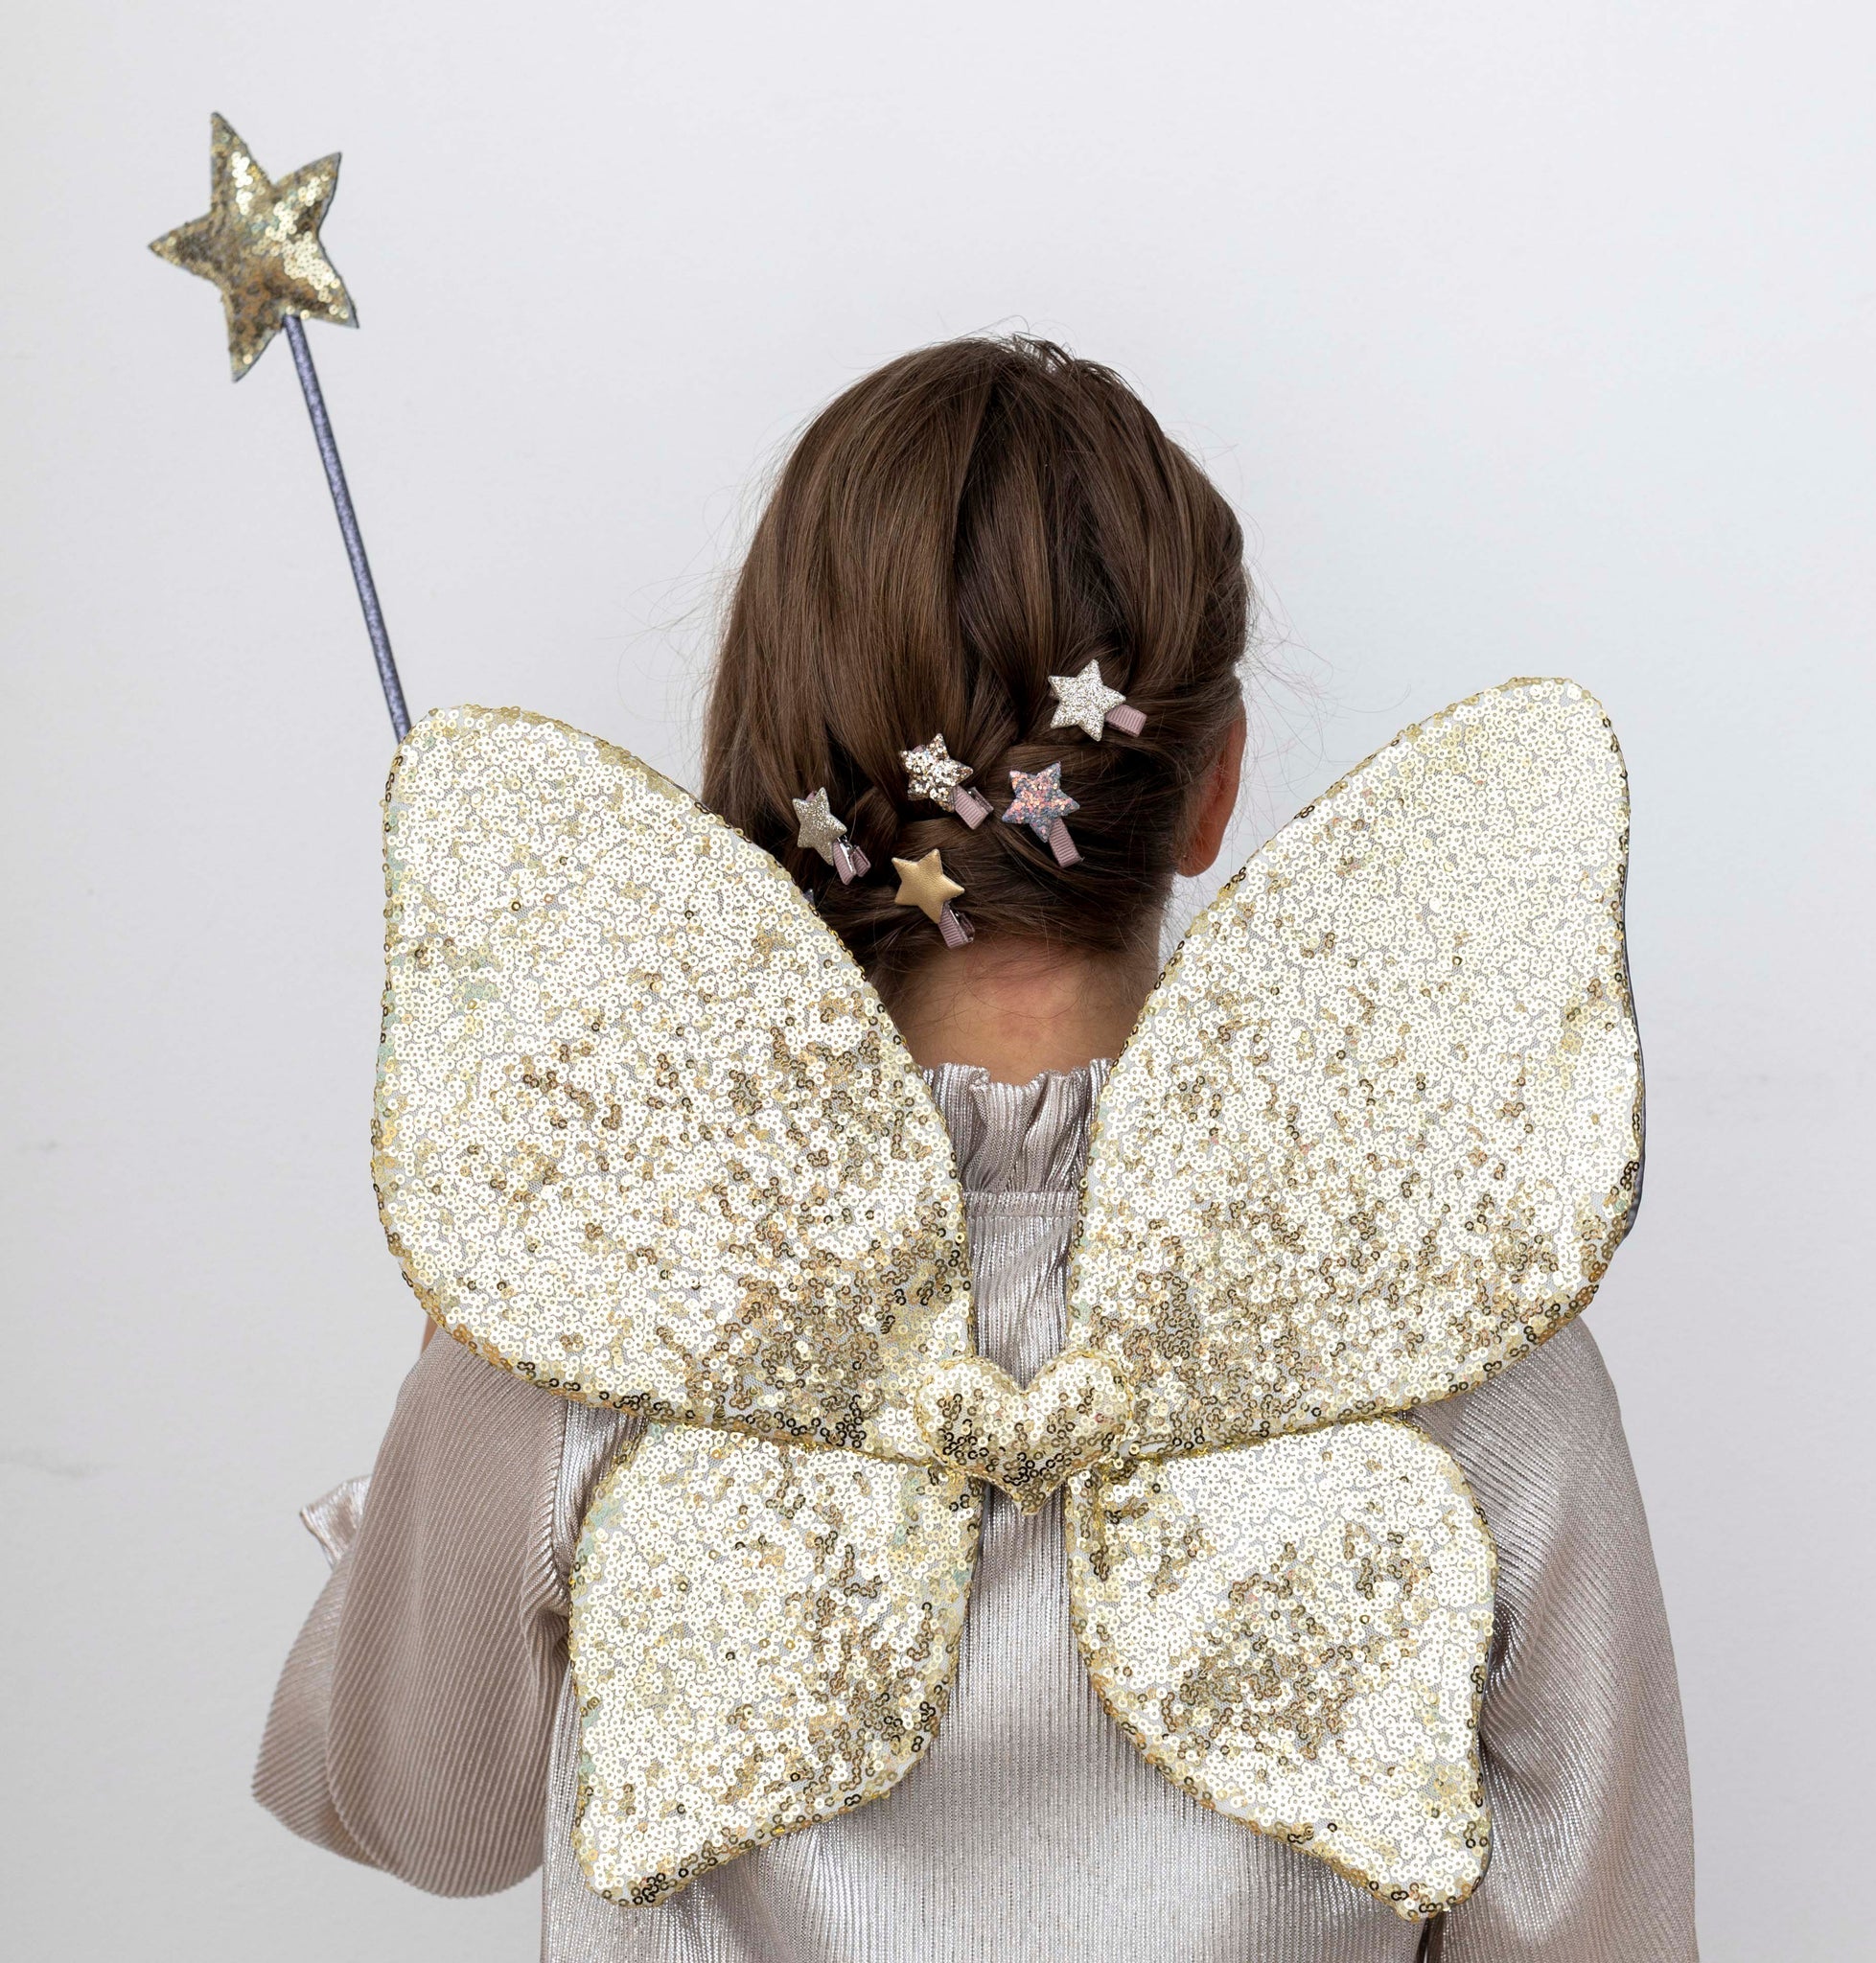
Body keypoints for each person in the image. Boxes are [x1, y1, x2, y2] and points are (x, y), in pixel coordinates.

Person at [255, 335, 1696, 1961]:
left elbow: (408, 1808)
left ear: (762, 784)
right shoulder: (1457, 1302)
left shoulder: (618, 1281)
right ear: (1213, 787)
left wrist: (475, 1374)